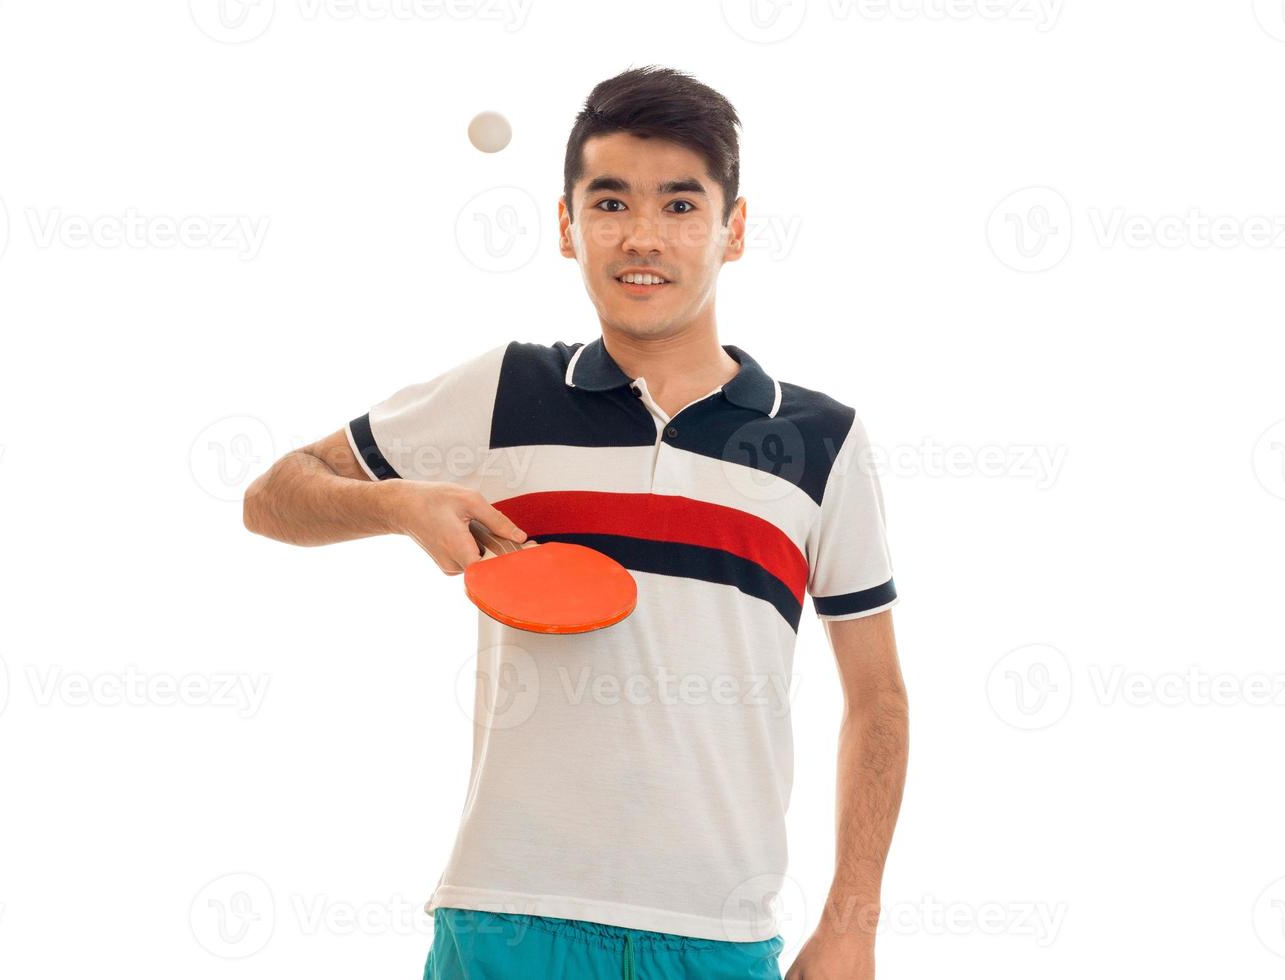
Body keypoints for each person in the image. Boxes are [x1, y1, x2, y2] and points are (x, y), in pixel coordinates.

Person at [243, 65, 909, 980]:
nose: (643, 237)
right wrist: (402, 504)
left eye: (681, 206)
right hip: (504, 924)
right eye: (610, 203)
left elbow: (877, 700)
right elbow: (275, 493)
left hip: (715, 936)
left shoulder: (824, 442)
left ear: (735, 229)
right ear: (567, 227)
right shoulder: (503, 389)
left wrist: (853, 925)